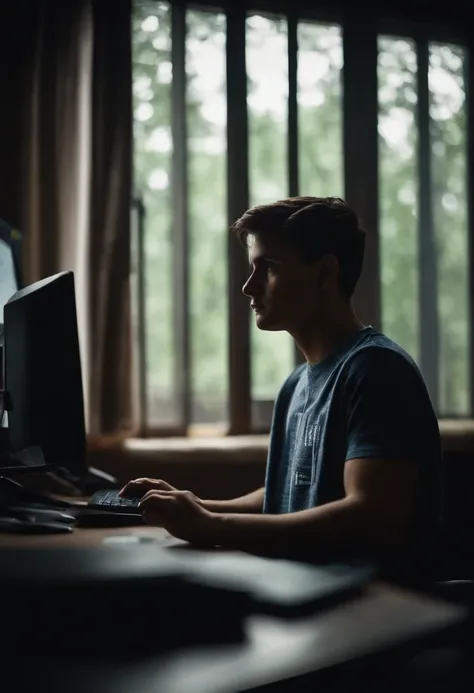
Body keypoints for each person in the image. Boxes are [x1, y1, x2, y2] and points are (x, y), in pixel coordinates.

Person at [121, 196, 442, 574]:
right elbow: (286, 498)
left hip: (375, 607)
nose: (248, 287)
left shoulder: (376, 369)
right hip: (305, 592)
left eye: (268, 268)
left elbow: (372, 518)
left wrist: (212, 526)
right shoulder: (296, 385)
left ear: (325, 273)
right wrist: (192, 505)